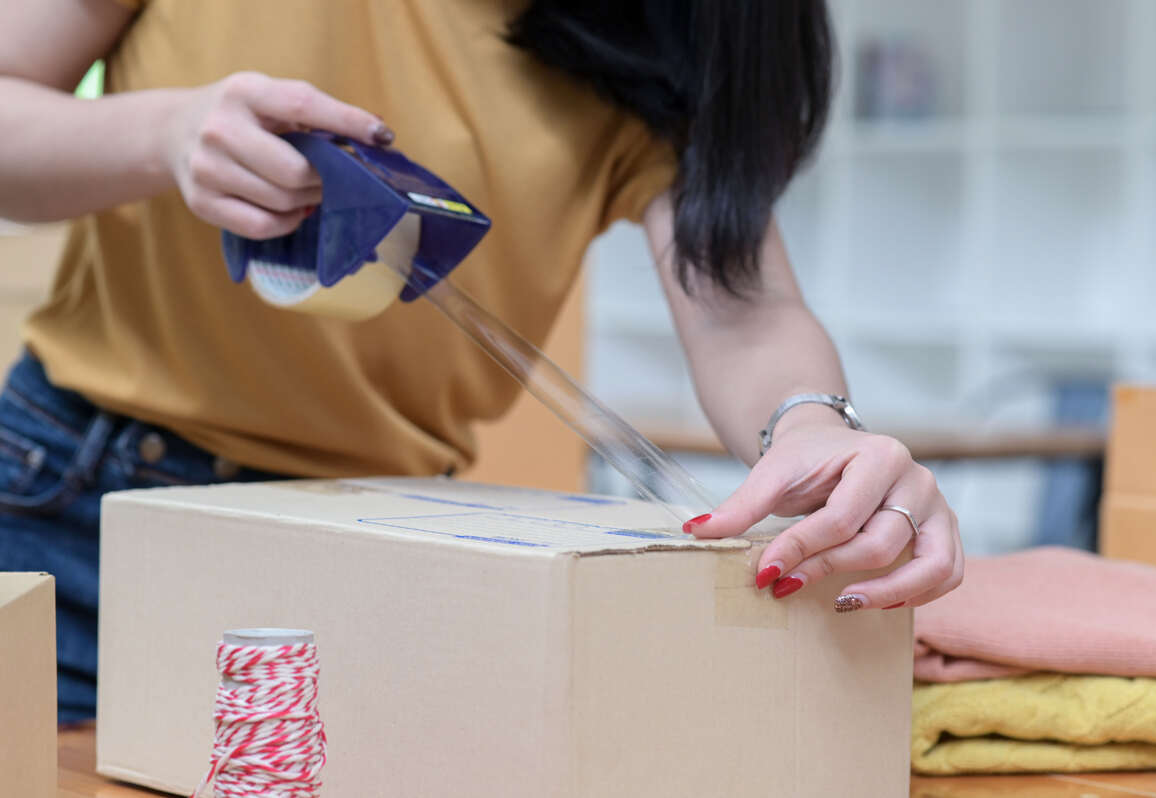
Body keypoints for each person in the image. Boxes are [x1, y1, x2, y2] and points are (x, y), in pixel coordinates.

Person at [0, 0, 963, 721]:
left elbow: (744, 311)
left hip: (388, 555)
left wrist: (814, 425)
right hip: (78, 510)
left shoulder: (660, 38)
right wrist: (163, 135)